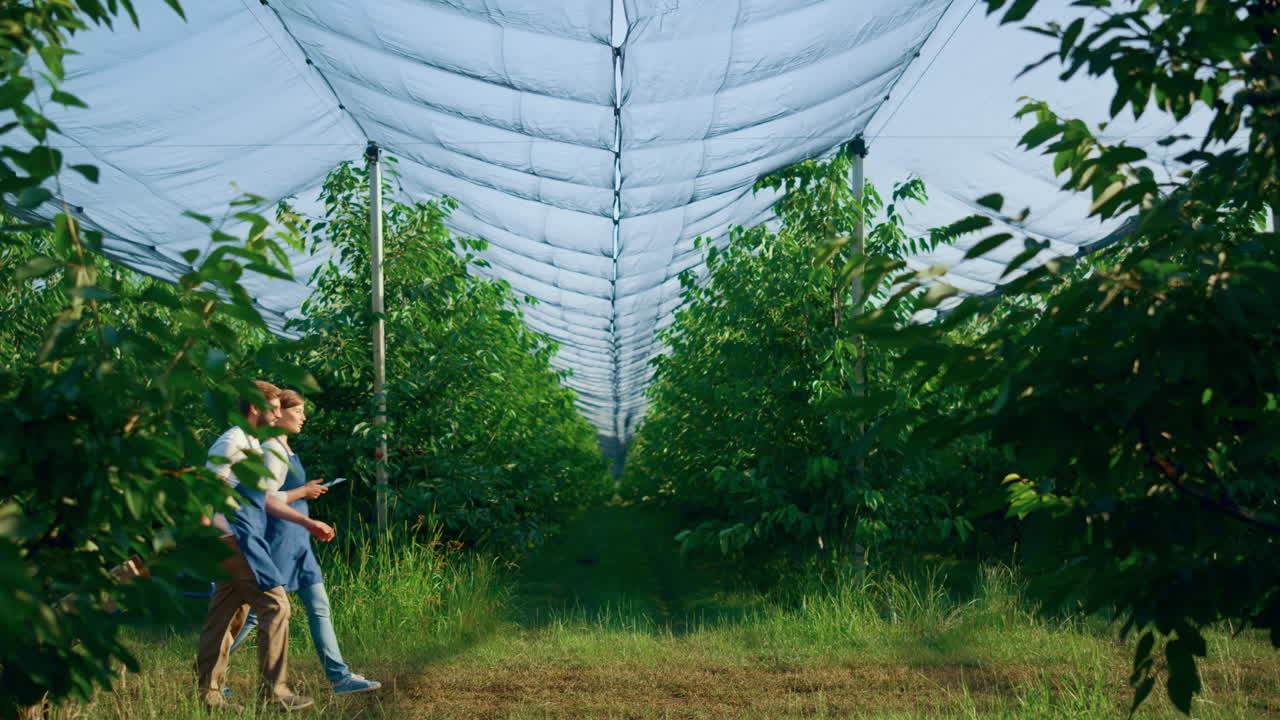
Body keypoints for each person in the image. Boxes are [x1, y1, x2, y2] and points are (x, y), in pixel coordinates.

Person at [229, 389, 382, 695]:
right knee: (257, 612)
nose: (303, 417)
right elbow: (268, 498)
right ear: (279, 413)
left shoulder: (285, 448)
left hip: (300, 542)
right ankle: (211, 673)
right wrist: (306, 504)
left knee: (319, 606)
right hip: (280, 540)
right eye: (297, 411)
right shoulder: (271, 449)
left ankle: (339, 677)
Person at [195, 380, 336, 712]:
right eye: (274, 407)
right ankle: (274, 693)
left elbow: (266, 499)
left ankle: (209, 693)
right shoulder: (231, 442)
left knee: (228, 614)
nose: (279, 411)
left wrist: (308, 523)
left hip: (246, 536)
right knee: (276, 606)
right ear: (255, 409)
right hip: (233, 538)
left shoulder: (254, 444)